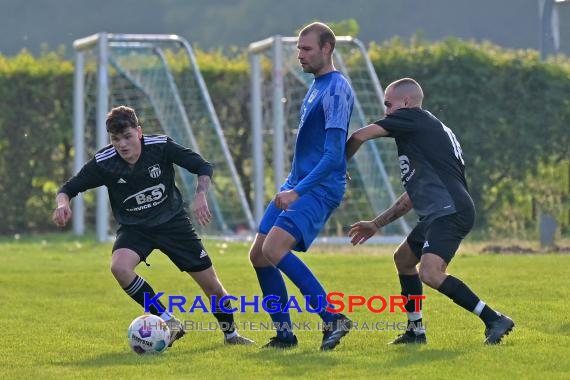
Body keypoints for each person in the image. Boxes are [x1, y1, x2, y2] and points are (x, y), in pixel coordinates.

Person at [52, 105, 253, 347]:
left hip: (172, 223)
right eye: (116, 139)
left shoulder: (160, 146)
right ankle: (168, 320)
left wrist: (201, 194)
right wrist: (62, 204)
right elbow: (68, 188)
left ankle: (231, 336)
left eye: (127, 137)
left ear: (139, 131)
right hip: (135, 228)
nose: (122, 145)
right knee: (120, 268)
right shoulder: (105, 163)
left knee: (213, 287)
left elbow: (203, 166)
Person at [346, 78, 514, 345]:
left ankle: (494, 319)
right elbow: (411, 197)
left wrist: (337, 166)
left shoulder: (412, 118)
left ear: (406, 103)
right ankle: (415, 331)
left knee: (431, 273)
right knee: (403, 259)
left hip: (450, 210)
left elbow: (358, 136)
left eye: (388, 105)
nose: (386, 111)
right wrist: (376, 223)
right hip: (441, 210)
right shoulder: (424, 132)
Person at [248, 22, 355, 351]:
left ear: (327, 49)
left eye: (306, 49)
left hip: (315, 188)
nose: (299, 55)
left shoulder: (336, 88)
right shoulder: (317, 85)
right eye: (298, 49)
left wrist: (298, 191)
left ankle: (332, 318)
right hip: (298, 182)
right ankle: (284, 336)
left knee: (274, 250)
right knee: (259, 256)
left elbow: (333, 153)